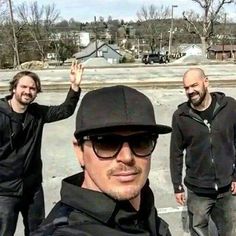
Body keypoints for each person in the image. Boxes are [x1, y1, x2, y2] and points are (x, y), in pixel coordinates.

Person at [32, 85, 172, 236]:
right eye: (107, 143)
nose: (127, 157)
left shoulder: (144, 205)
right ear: (80, 151)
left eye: (141, 141)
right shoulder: (65, 231)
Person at [0, 62, 84, 236]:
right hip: (5, 190)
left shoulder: (36, 113)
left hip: (32, 188)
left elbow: (64, 111)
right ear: (14, 88)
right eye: (23, 86)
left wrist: (74, 87)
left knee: (39, 231)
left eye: (33, 88)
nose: (28, 91)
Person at [169, 68, 236, 236]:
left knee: (231, 231)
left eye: (194, 85)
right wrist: (177, 186)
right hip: (198, 189)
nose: (190, 91)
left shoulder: (229, 107)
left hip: (227, 188)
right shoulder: (181, 116)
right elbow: (175, 152)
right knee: (198, 231)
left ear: (206, 82)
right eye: (186, 88)